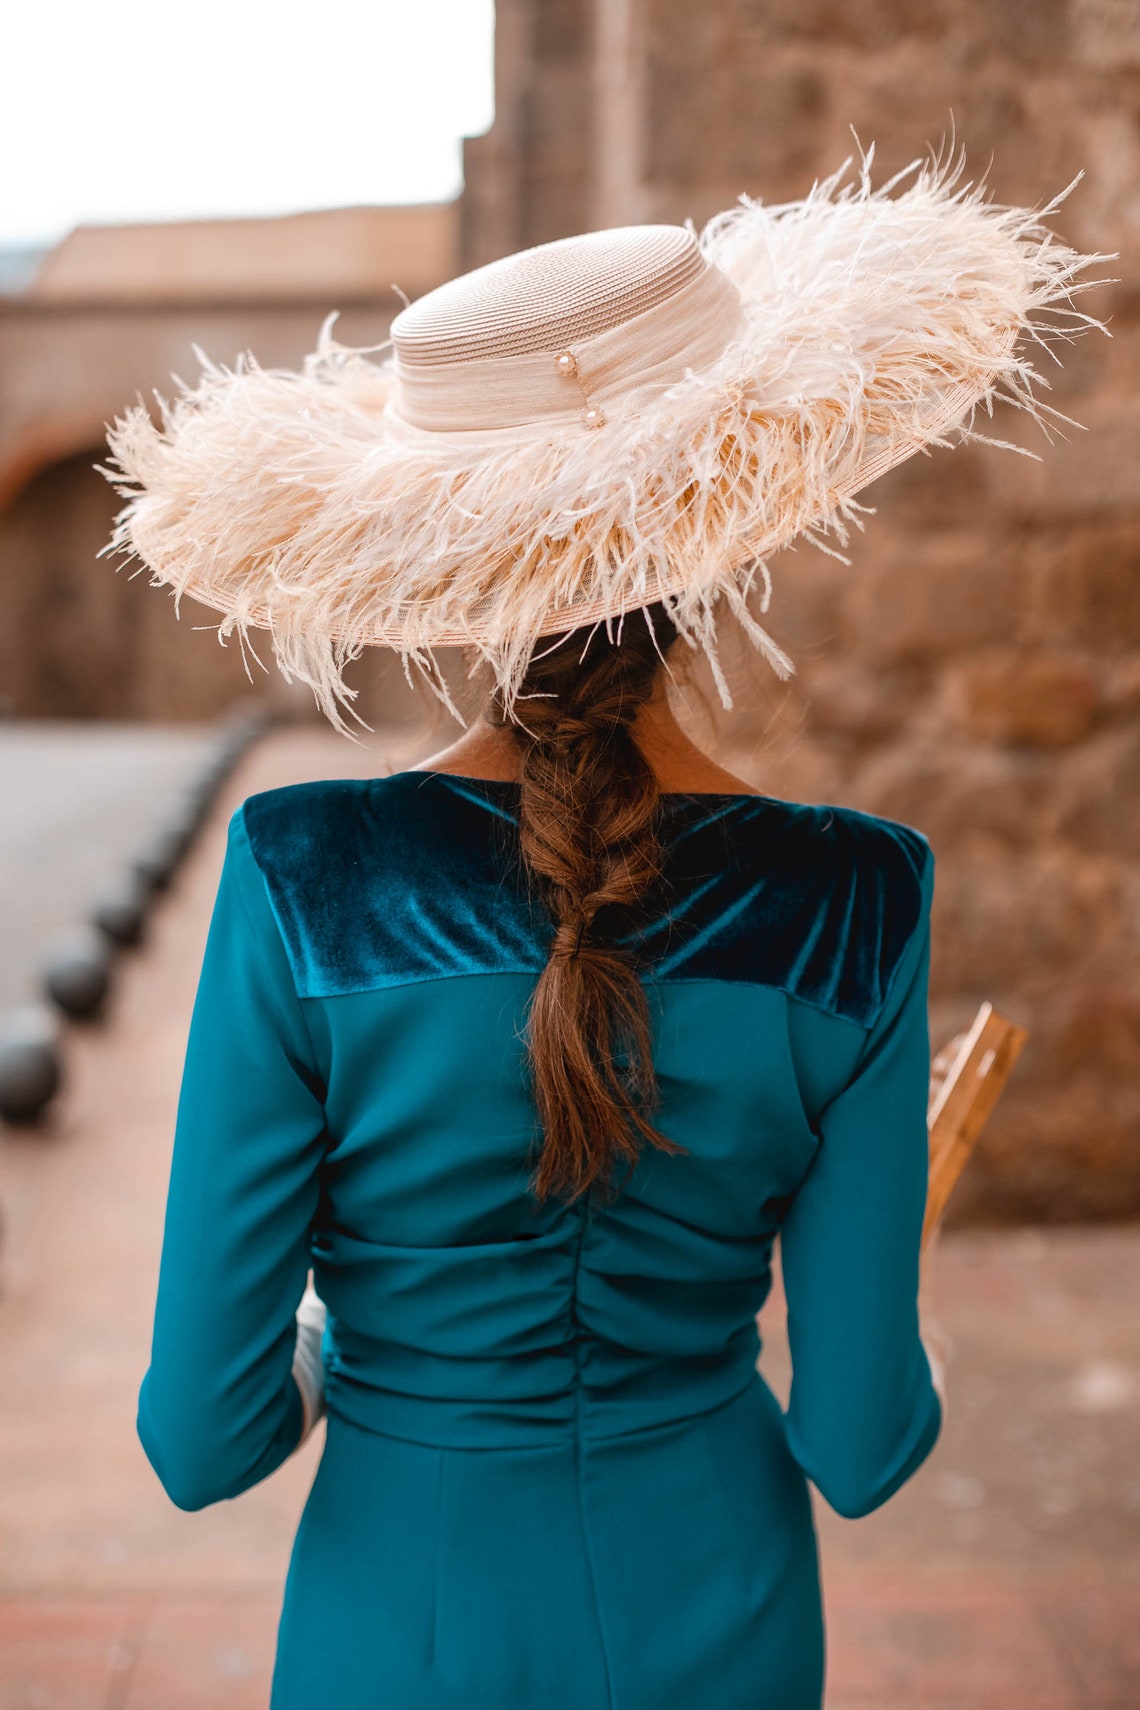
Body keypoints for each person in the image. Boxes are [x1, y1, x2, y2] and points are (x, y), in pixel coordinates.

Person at [105, 140, 1109, 1709]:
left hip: (399, 1619)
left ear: (451, 553)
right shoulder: (860, 898)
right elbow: (859, 1443)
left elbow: (198, 1438)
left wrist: (328, 1334)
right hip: (720, 1605)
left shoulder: (305, 875)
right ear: (725, 522)